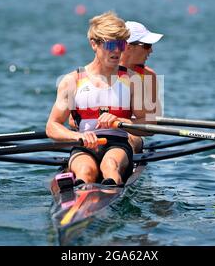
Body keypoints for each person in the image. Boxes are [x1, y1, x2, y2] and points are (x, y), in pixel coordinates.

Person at [46, 12, 147, 186]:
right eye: (111, 44)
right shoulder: (72, 80)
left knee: (110, 165)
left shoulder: (132, 81)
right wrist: (76, 136)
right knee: (85, 170)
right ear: (94, 44)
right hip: (83, 145)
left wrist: (120, 120)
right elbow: (52, 126)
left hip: (117, 144)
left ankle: (108, 196)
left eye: (121, 44)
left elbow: (147, 127)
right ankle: (80, 199)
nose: (117, 50)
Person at [119, 21, 164, 153]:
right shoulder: (99, 72)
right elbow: (72, 121)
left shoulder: (149, 76)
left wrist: (119, 122)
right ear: (127, 46)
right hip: (93, 136)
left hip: (130, 137)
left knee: (132, 139)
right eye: (146, 45)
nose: (151, 50)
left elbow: (151, 125)